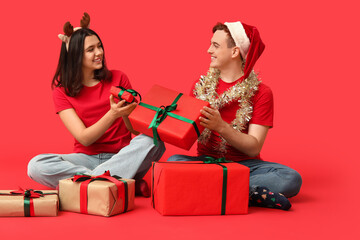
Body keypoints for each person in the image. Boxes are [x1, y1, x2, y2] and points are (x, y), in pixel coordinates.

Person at [168, 21, 302, 210]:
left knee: (291, 178)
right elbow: (186, 135)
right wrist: (172, 122)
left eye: (215, 46)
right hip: (206, 163)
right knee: (173, 162)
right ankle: (245, 192)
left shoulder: (261, 92)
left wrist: (220, 126)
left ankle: (207, 188)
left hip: (245, 166)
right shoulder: (200, 87)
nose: (208, 50)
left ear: (234, 52)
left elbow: (253, 148)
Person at [27, 13, 165, 196]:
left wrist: (125, 112)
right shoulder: (61, 91)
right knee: (36, 165)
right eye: (90, 49)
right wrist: (112, 114)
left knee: (153, 140)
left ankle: (93, 182)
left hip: (123, 156)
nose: (99, 53)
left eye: (99, 46)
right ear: (76, 56)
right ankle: (115, 181)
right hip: (84, 159)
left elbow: (135, 131)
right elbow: (84, 138)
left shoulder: (118, 77)